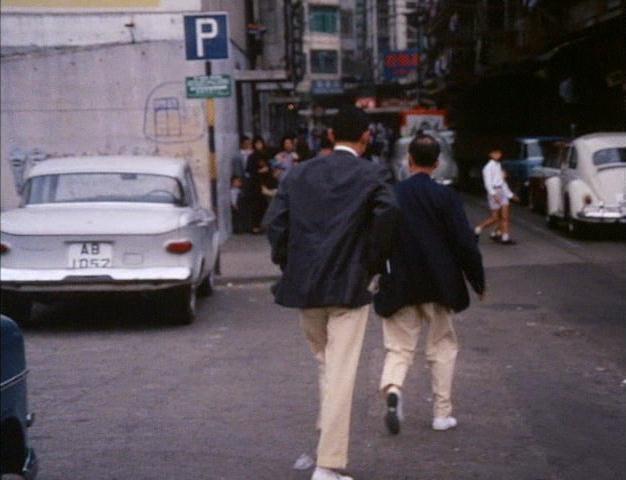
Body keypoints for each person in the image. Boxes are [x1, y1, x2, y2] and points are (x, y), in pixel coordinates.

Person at [265, 106, 397, 480]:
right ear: (366, 137)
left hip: (306, 286)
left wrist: (289, 263)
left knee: (326, 365)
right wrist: (371, 262)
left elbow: (275, 224)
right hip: (350, 285)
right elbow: (388, 214)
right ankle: (328, 464)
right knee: (341, 371)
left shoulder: (299, 174)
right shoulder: (372, 174)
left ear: (328, 135)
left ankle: (327, 442)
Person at [374, 133, 485, 436]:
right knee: (442, 346)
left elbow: (378, 242)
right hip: (440, 285)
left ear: (408, 161)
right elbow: (464, 243)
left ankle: (394, 388)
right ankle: (441, 413)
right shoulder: (446, 197)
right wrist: (477, 280)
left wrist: (373, 276)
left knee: (398, 348)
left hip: (400, 284)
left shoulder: (392, 195)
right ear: (436, 164)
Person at [474, 148, 517, 244]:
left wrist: (510, 194)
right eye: (495, 153)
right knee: (495, 218)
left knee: (505, 216)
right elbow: (488, 183)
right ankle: (479, 228)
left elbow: (502, 181)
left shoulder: (499, 165)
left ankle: (505, 237)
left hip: (501, 190)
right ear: (490, 154)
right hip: (494, 191)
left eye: (499, 153)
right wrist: (493, 194)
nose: (498, 155)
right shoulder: (488, 167)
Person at [246, 136, 271, 233]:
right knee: (256, 206)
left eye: (260, 143)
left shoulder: (265, 155)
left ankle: (262, 225)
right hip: (255, 184)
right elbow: (249, 170)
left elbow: (269, 167)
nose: (259, 146)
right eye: (257, 144)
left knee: (264, 205)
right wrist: (259, 171)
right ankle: (255, 226)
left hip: (265, 183)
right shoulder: (252, 157)